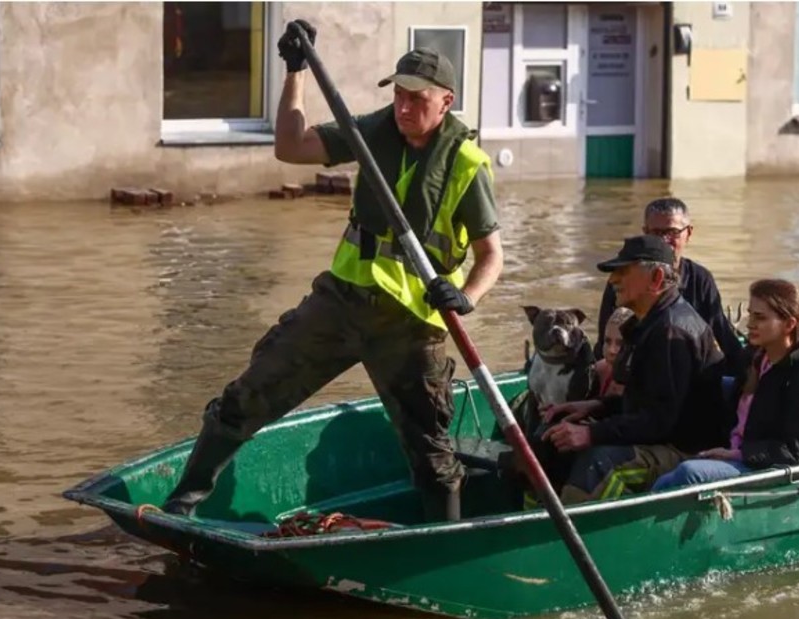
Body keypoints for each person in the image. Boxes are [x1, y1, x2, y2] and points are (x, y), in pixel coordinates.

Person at [159, 20, 504, 523]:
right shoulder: (372, 131)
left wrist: (466, 296)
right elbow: (290, 146)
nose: (404, 108)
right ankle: (182, 504)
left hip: (409, 325)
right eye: (399, 95)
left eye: (417, 99)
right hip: (341, 303)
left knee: (432, 452)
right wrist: (294, 71)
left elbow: (492, 256)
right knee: (247, 394)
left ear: (446, 101)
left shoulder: (467, 164)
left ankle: (443, 545)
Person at [542, 235, 727, 504]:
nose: (612, 280)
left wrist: (592, 433)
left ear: (656, 279)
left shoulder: (670, 332)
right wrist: (596, 407)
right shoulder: (652, 322)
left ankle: (565, 536)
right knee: (552, 439)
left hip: (684, 450)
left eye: (623, 272)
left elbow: (659, 422)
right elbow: (648, 402)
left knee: (601, 464)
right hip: (660, 436)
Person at [651, 279, 799, 491]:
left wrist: (739, 454)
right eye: (750, 314)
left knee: (690, 473)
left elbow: (797, 452)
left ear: (789, 325)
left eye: (760, 317)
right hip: (739, 451)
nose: (750, 324)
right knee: (664, 479)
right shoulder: (756, 358)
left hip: (767, 469)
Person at [594, 198, 744, 371]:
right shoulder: (626, 281)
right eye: (656, 233)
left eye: (672, 232)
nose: (664, 240)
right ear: (645, 232)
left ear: (689, 233)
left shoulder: (700, 280)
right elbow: (604, 341)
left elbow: (722, 335)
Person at [593, 306, 633, 398]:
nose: (611, 350)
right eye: (607, 341)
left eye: (620, 344)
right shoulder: (597, 370)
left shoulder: (641, 379)